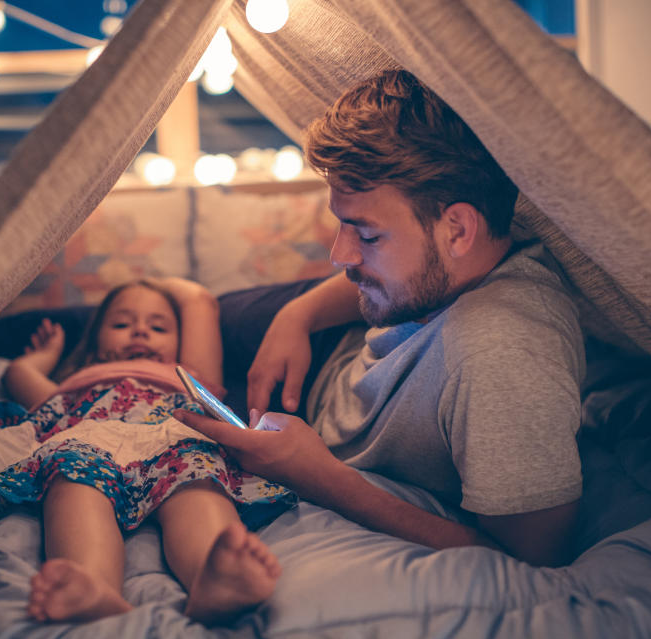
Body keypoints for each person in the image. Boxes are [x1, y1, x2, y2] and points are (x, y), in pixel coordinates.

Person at [176, 69, 585, 567]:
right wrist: (298, 316)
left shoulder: (502, 354)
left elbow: (531, 561)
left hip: (303, 423)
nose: (339, 254)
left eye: (367, 235)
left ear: (457, 229)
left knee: (138, 376)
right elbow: (408, 278)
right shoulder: (464, 257)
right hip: (325, 336)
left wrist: (320, 478)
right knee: (142, 314)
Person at [0, 278, 292, 625]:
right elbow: (18, 373)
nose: (140, 332)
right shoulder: (77, 381)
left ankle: (214, 575)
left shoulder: (189, 374)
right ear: (94, 342)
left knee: (198, 479)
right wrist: (48, 355)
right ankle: (92, 584)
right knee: (71, 478)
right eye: (122, 323)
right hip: (89, 439)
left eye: (158, 326)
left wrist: (146, 278)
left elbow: (199, 300)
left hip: (173, 435)